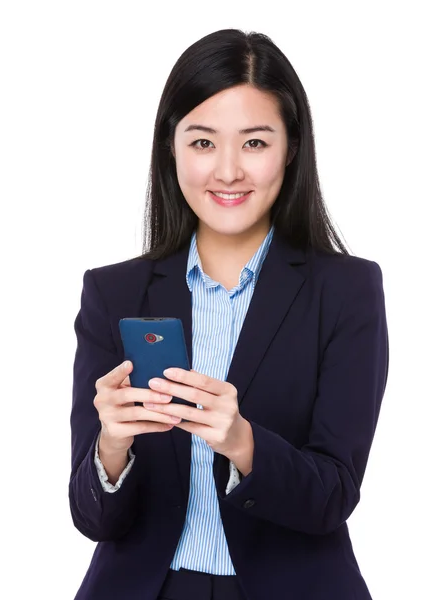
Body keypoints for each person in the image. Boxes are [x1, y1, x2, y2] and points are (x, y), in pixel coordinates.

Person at [69, 28, 389, 600]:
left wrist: (243, 441)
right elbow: (93, 519)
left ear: (291, 148)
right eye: (202, 142)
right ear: (171, 147)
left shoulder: (346, 289)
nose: (227, 172)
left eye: (254, 143)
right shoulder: (113, 293)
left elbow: (334, 495)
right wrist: (111, 447)